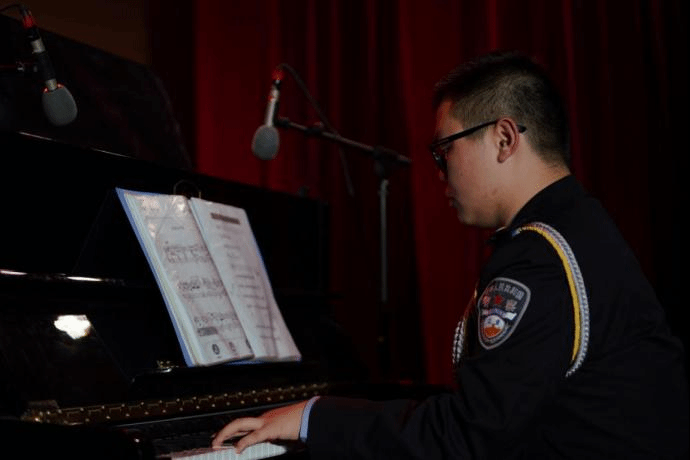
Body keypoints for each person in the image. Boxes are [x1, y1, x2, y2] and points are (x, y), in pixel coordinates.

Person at [212, 51, 689, 459]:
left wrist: (310, 418)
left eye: (444, 151)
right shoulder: (576, 227)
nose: (439, 173)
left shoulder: (540, 258)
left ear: (504, 138)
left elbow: (467, 437)